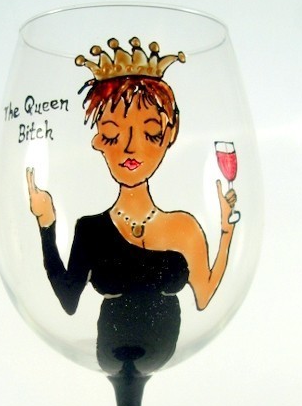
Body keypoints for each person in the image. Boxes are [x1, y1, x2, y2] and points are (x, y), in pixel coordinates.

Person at [27, 37, 237, 374]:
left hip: (163, 349)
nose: (129, 147)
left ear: (170, 134)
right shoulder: (91, 229)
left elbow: (205, 294)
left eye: (149, 133)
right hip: (111, 351)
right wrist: (46, 224)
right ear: (98, 141)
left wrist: (226, 232)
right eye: (113, 134)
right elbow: (68, 300)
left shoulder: (183, 228)